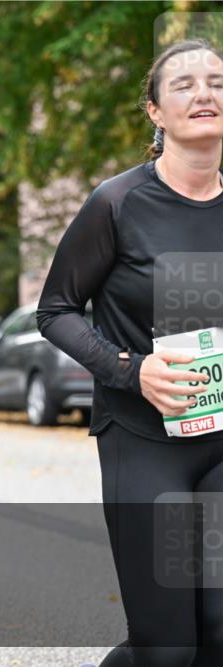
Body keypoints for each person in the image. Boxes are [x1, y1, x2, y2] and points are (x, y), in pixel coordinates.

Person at [38, 39, 223, 667]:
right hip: (143, 442)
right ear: (155, 111)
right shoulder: (117, 203)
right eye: (184, 84)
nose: (204, 93)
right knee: (168, 648)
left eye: (217, 81)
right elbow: (54, 311)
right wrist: (128, 368)